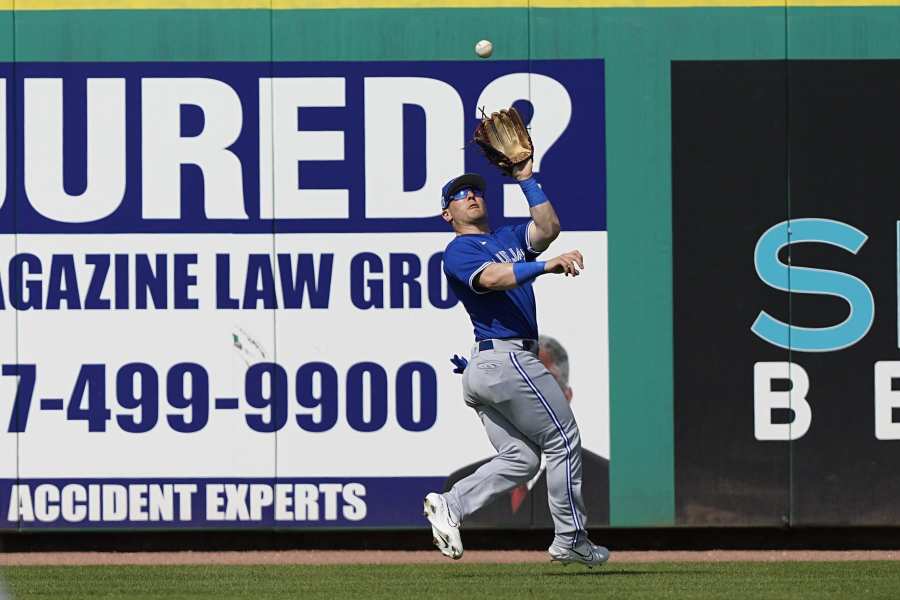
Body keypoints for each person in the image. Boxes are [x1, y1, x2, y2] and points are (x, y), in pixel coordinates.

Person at [422, 158, 609, 568]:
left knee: (522, 459)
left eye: (474, 191)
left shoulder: (507, 237)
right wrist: (546, 265)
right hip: (508, 357)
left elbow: (547, 229)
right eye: (458, 195)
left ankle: (451, 504)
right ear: (446, 213)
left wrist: (526, 178)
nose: (470, 196)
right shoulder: (458, 250)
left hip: (488, 365)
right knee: (562, 440)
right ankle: (571, 538)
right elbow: (493, 279)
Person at [443, 334, 609, 528]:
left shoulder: (603, 478)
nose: (527, 394)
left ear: (566, 395)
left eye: (541, 383)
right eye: (515, 383)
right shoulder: (463, 482)